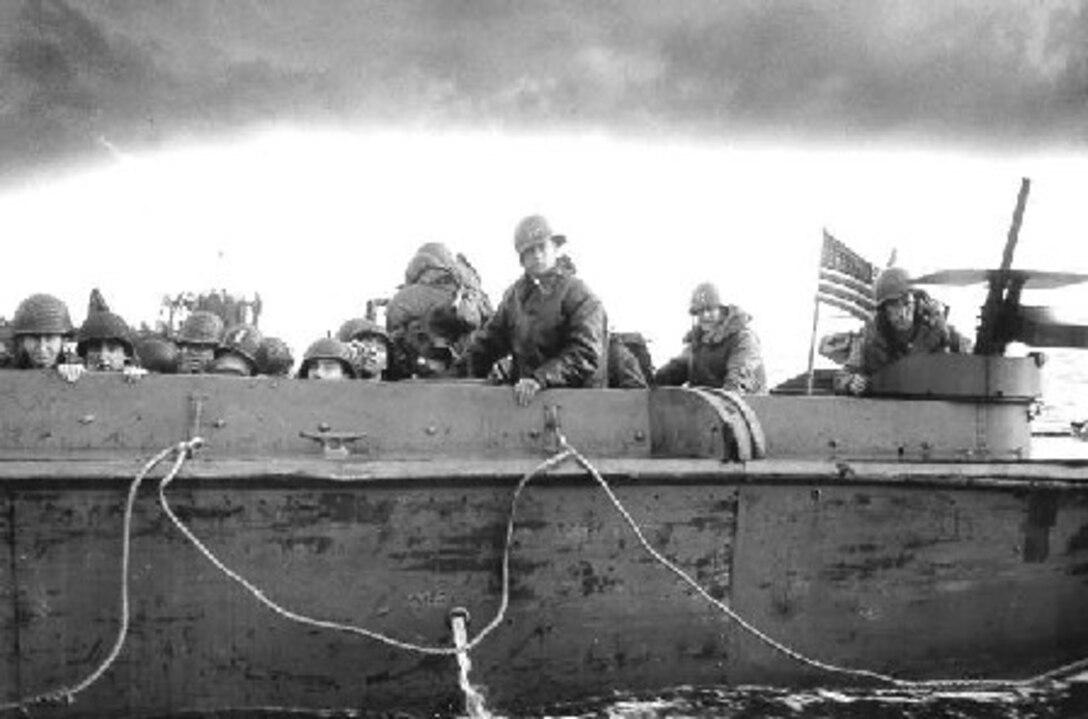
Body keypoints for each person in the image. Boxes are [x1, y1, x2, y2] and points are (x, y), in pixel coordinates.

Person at [457, 214, 608, 406]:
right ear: (522, 258)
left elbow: (585, 353)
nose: (537, 255)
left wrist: (540, 379)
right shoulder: (515, 297)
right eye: (529, 251)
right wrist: (451, 375)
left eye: (542, 247)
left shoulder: (579, 294)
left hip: (578, 405)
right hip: (526, 404)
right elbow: (488, 344)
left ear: (554, 248)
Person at [838, 267, 971, 396]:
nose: (902, 314)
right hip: (887, 410)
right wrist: (851, 383)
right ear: (884, 310)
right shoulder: (869, 337)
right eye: (893, 306)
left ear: (916, 302)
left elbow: (972, 358)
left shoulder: (938, 327)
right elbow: (844, 375)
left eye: (906, 303)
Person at [386, 242, 494, 379]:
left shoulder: (401, 299)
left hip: (415, 374)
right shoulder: (468, 291)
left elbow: (392, 331)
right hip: (469, 373)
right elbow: (493, 326)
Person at [654, 282, 767, 393]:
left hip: (744, 407)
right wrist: (653, 379)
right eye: (700, 312)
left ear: (722, 310)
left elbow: (738, 381)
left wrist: (727, 396)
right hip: (707, 406)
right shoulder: (698, 343)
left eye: (710, 309)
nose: (705, 316)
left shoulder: (743, 340)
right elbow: (676, 369)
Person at [74, 289, 145, 380]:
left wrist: (136, 380)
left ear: (125, 354)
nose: (103, 356)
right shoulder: (78, 375)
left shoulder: (133, 374)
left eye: (112, 349)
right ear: (85, 355)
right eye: (95, 348)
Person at [9, 293, 82, 381]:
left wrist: (76, 371)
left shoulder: (73, 363)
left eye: (50, 338)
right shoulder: (7, 366)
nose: (42, 348)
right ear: (22, 340)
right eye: (34, 338)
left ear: (63, 340)